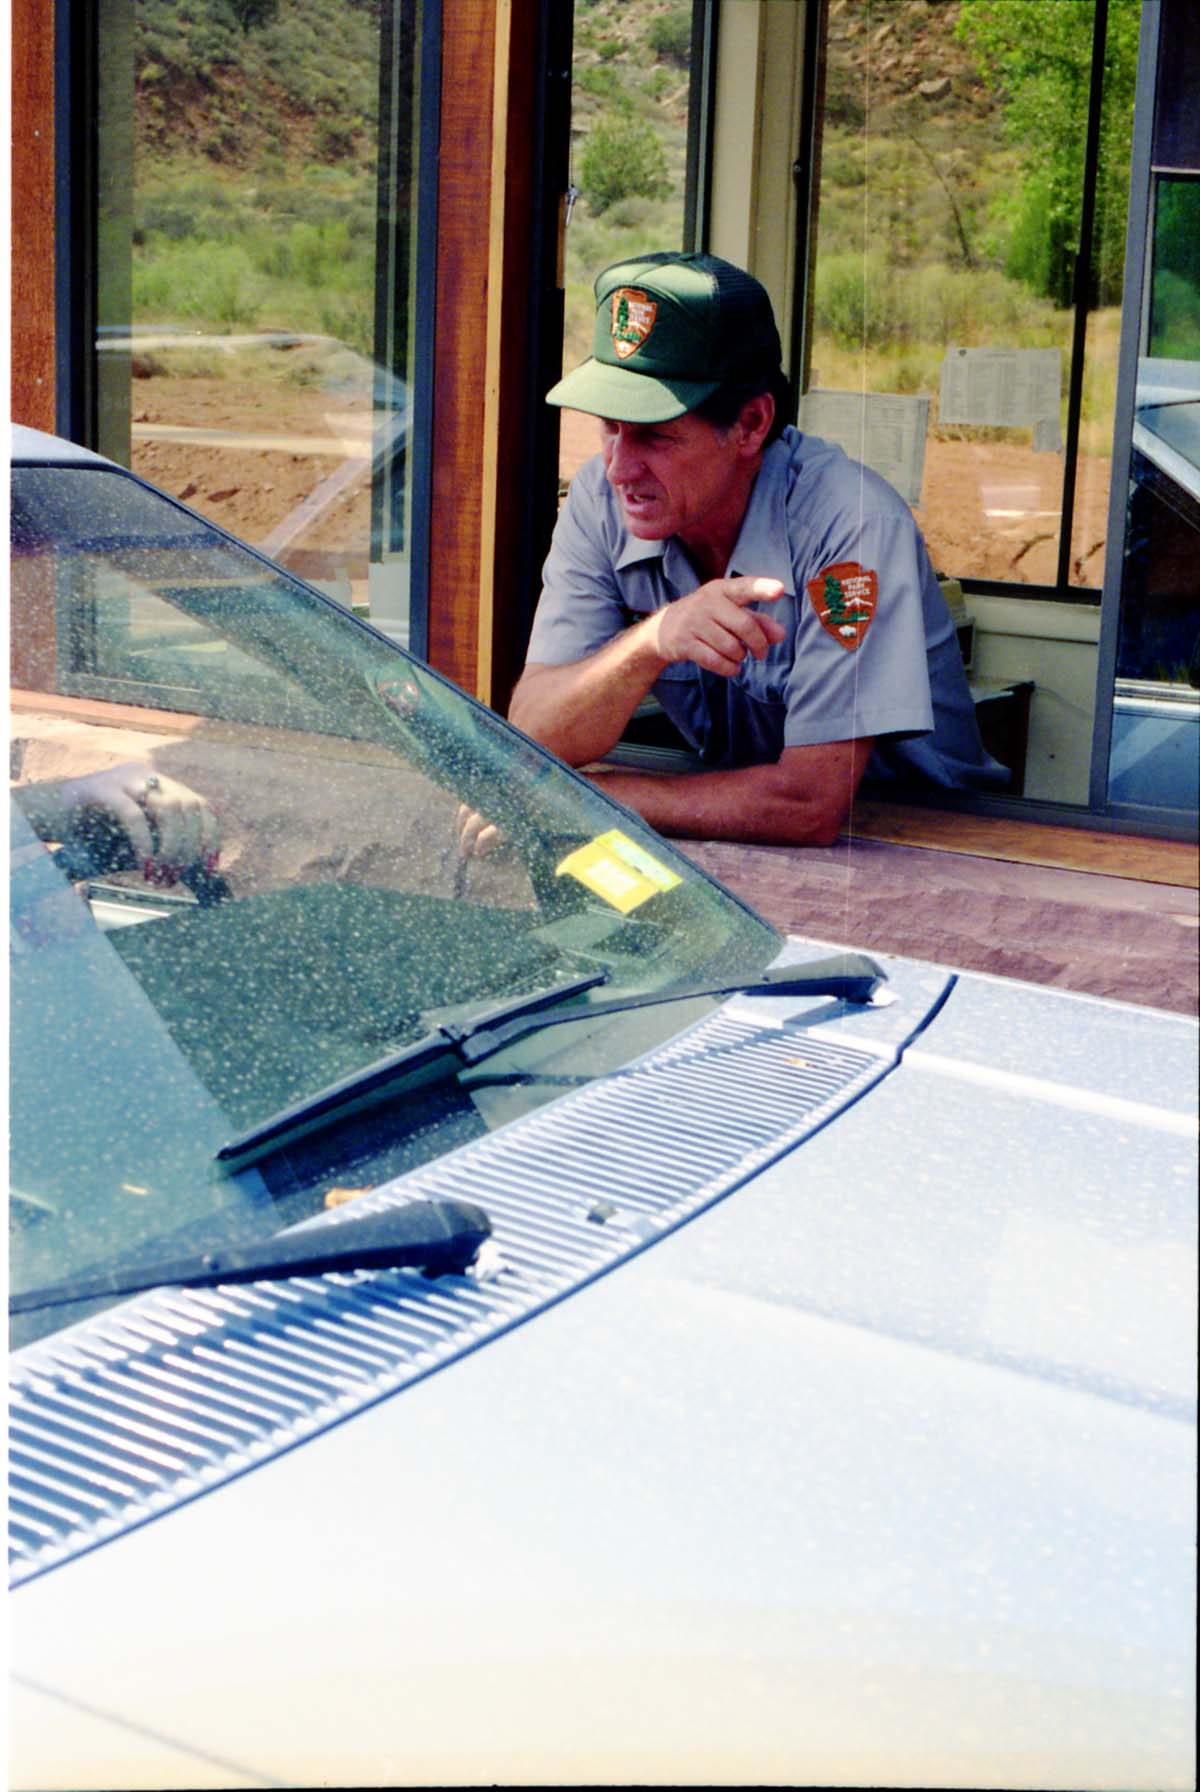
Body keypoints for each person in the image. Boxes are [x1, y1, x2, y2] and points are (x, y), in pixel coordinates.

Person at [508, 250, 1007, 848]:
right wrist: (651, 641)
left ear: (750, 424)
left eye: (655, 436)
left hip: (929, 845)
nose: (618, 467)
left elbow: (810, 805)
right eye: (609, 427)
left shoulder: (852, 523)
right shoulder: (602, 498)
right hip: (735, 822)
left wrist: (588, 799)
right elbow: (534, 728)